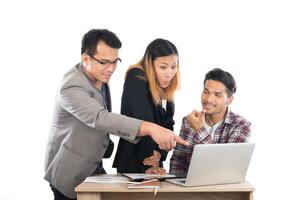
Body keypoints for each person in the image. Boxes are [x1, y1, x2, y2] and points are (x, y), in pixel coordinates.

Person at [44, 29, 188, 200]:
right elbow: (100, 118)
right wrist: (150, 128)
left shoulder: (98, 76)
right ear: (86, 59)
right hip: (69, 171)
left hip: (94, 166)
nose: (111, 68)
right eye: (105, 62)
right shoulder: (71, 88)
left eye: (115, 61)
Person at [113, 38, 180, 175]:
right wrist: (149, 161)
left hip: (154, 161)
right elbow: (144, 122)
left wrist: (159, 154)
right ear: (150, 63)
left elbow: (168, 123)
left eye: (174, 66)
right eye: (163, 67)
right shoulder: (136, 77)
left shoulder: (165, 85)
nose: (169, 73)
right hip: (135, 159)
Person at [170, 68, 251, 174]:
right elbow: (179, 161)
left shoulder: (241, 125)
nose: (208, 99)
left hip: (225, 188)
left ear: (229, 100)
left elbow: (226, 167)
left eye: (217, 95)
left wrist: (199, 130)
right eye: (206, 92)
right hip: (191, 187)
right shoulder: (188, 121)